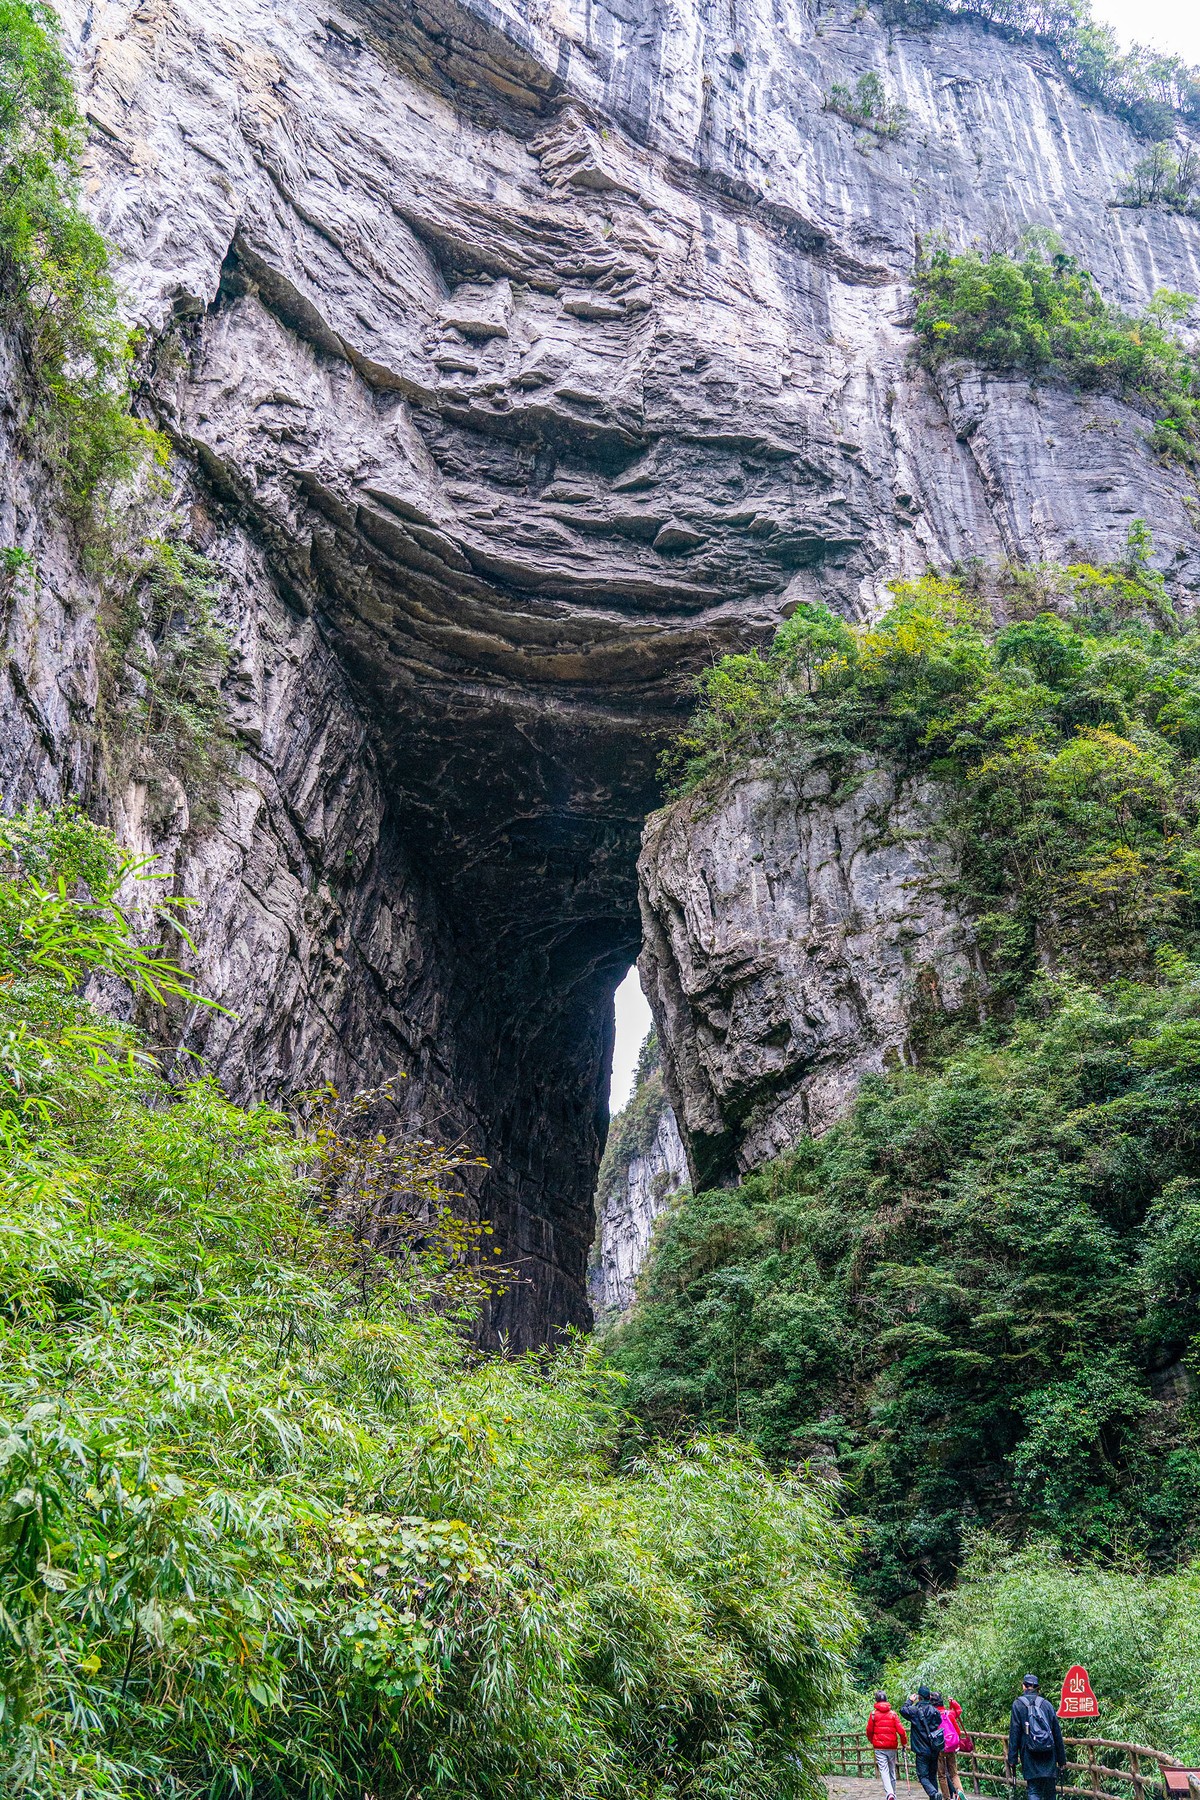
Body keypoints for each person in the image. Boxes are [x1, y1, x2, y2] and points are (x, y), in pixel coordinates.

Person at [1008, 1674, 1067, 1800]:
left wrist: (1012, 1759)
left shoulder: (1018, 1705)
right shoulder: (1047, 1705)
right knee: (1050, 1791)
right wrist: (1061, 1759)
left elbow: (1015, 1733)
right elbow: (1057, 1733)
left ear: (1024, 1686)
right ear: (1037, 1688)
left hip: (1029, 1754)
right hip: (1049, 1754)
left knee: (1033, 1790)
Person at [901, 1686, 946, 1800]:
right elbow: (939, 1722)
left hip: (921, 1749)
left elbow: (903, 1710)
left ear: (919, 1697)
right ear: (929, 1696)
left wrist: (910, 1700)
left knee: (922, 1776)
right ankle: (935, 1796)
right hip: (934, 1748)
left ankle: (933, 1794)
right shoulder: (935, 1711)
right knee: (932, 1776)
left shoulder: (914, 1711)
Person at [866, 1690, 908, 1800]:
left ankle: (890, 1793)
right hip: (892, 1746)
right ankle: (893, 1793)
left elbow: (869, 1731)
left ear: (876, 1700)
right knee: (892, 1769)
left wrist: (872, 1741)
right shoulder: (893, 1714)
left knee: (884, 1770)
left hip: (879, 1747)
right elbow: (901, 1731)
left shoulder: (874, 1714)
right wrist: (904, 1742)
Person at [932, 1691, 966, 1800]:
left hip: (940, 1747)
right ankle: (960, 1791)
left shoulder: (932, 1715)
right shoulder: (949, 1713)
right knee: (954, 1773)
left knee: (941, 1775)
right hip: (951, 1746)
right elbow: (958, 1711)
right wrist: (953, 1702)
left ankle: (946, 1798)